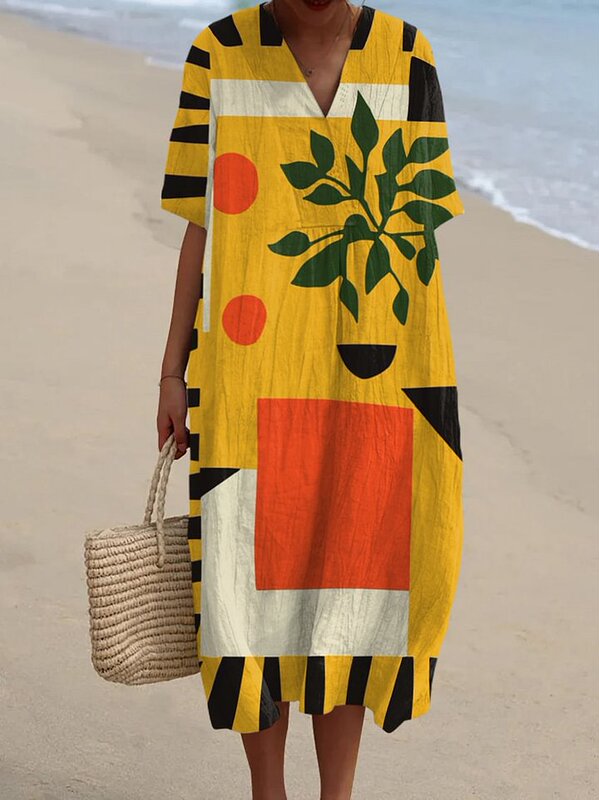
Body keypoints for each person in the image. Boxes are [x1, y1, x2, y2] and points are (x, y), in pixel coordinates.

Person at [158, 2, 465, 798]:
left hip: (380, 374)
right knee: (243, 590)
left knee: (354, 587)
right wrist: (171, 370)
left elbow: (417, 234)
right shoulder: (219, 53)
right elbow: (201, 224)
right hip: (248, 373)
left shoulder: (407, 55)